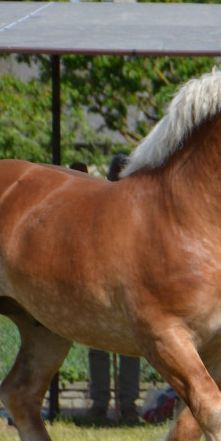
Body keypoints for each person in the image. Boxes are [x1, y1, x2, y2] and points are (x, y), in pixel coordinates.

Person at [85, 155, 142, 422]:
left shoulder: (137, 209)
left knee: (131, 347)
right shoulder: (99, 206)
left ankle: (128, 404)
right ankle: (99, 403)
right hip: (101, 287)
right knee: (98, 348)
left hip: (129, 289)